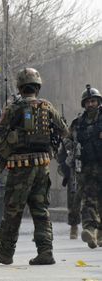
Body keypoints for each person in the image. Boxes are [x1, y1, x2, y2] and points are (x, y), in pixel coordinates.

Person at [0, 68, 68, 265]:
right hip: (43, 165)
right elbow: (64, 130)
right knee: (40, 208)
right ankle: (45, 251)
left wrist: (10, 144)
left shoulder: (14, 108)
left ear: (20, 87)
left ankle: (6, 251)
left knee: (13, 209)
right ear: (37, 87)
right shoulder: (48, 106)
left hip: (20, 166)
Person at [66, 85, 102, 249]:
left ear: (98, 102)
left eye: (93, 101)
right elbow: (68, 140)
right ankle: (89, 230)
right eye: (88, 102)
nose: (91, 104)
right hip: (87, 169)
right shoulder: (78, 123)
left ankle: (99, 235)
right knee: (88, 201)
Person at [56, 140, 82, 239]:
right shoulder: (73, 131)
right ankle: (74, 226)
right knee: (73, 199)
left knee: (93, 197)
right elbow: (61, 154)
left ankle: (95, 227)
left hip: (90, 165)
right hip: (73, 168)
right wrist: (65, 162)